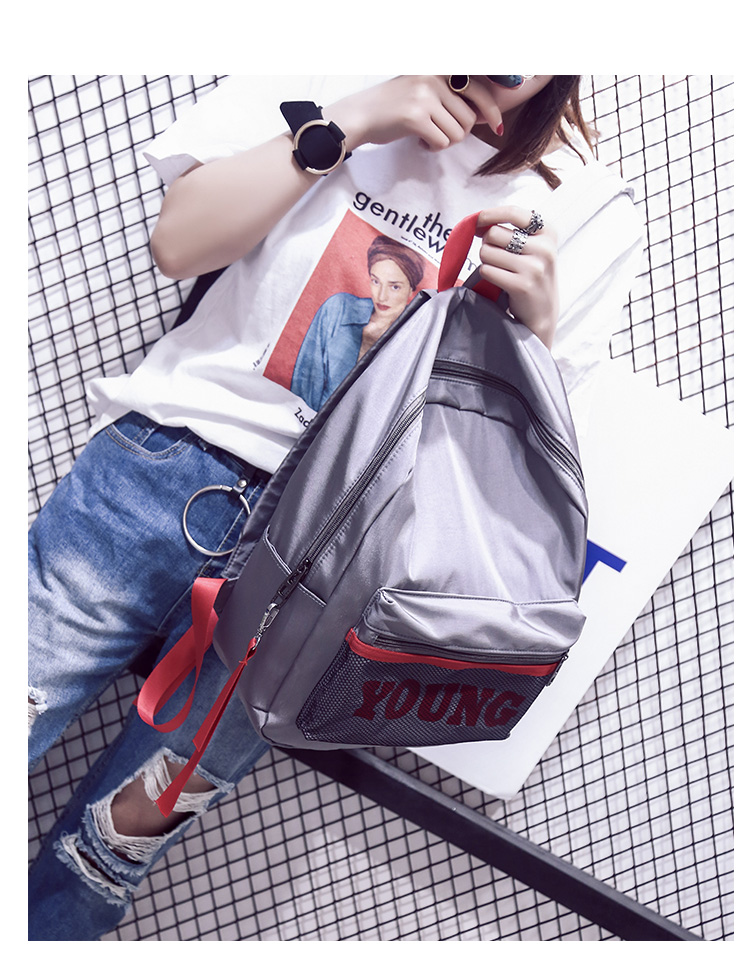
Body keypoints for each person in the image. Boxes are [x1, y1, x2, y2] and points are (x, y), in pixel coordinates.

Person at [28, 75, 645, 940]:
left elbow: (498, 450)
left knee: (106, 854)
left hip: (327, 573)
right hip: (157, 477)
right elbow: (179, 242)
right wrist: (352, 120)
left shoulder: (586, 202)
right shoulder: (331, 57)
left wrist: (532, 331)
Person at [291, 235, 426, 410]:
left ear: (411, 290)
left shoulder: (419, 339)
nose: (381, 296)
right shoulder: (338, 309)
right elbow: (304, 383)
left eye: (395, 287)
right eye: (375, 281)